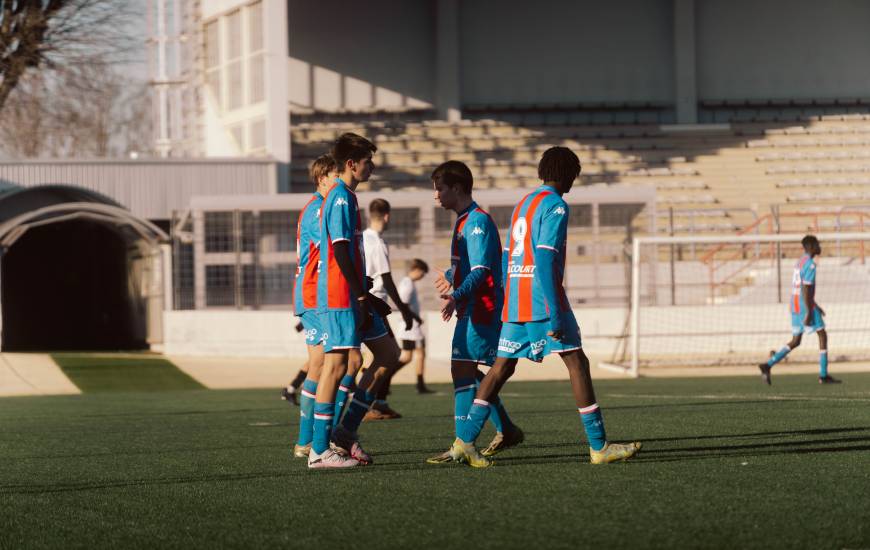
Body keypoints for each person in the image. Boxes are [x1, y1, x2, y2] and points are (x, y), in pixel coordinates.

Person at [448, 147, 641, 467]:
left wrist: (509, 298)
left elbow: (512, 253)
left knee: (501, 367)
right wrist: (554, 311)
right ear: (568, 175)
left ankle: (465, 441)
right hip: (541, 298)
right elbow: (546, 256)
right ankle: (599, 446)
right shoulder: (556, 205)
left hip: (515, 299)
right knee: (577, 362)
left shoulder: (524, 203)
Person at [309, 132, 403, 469]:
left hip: (353, 291)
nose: (372, 167)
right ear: (351, 164)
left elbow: (349, 253)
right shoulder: (339, 197)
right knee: (335, 366)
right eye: (368, 162)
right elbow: (338, 250)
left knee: (389, 354)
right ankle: (320, 452)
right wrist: (362, 295)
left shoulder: (347, 196)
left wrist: (368, 294)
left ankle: (345, 434)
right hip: (339, 295)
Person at [426, 160, 523, 465]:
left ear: (456, 188)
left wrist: (456, 293)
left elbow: (481, 270)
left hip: (482, 310)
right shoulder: (463, 220)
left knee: (466, 371)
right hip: (473, 307)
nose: (436, 195)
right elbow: (470, 266)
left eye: (439, 188)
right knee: (474, 371)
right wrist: (453, 274)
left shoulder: (477, 222)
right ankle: (506, 429)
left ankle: (462, 444)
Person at [357, 198, 420, 420]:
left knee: (380, 356)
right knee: (388, 354)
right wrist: (404, 310)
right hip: (375, 304)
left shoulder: (362, 238)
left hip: (363, 301)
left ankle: (379, 402)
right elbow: (387, 279)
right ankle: (366, 405)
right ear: (387, 216)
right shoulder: (378, 243)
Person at [290, 154, 334, 458]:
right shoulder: (318, 208)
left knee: (323, 364)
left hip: (313, 294)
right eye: (335, 175)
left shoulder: (318, 207)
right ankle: (312, 440)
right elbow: (332, 245)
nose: (339, 181)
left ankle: (309, 440)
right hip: (313, 293)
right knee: (325, 364)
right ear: (322, 178)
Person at [758, 235, 840, 385]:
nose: (819, 247)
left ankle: (767, 365)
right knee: (822, 334)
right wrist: (810, 310)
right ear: (811, 247)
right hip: (804, 305)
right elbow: (806, 289)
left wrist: (816, 305)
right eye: (817, 244)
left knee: (796, 340)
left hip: (794, 303)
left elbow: (802, 287)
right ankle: (823, 375)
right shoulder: (810, 264)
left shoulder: (800, 262)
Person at [398, 258, 433, 394]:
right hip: (410, 327)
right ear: (417, 270)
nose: (422, 276)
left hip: (410, 326)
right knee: (414, 355)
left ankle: (420, 384)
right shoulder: (407, 284)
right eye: (423, 273)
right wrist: (417, 318)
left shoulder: (408, 283)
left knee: (411, 355)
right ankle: (385, 377)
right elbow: (404, 305)